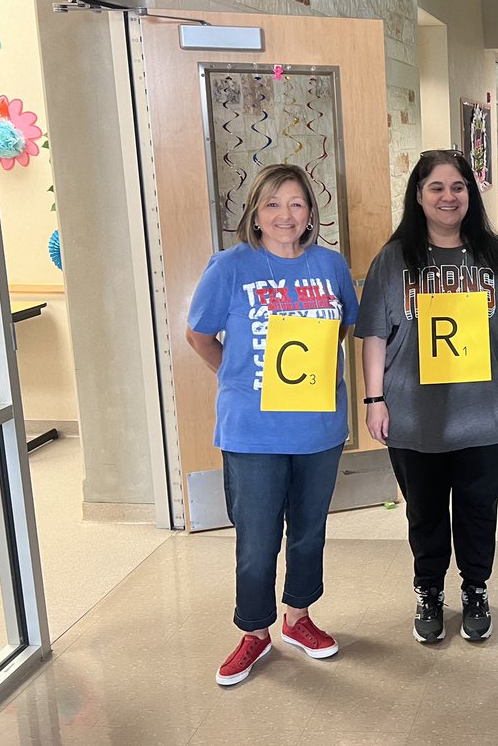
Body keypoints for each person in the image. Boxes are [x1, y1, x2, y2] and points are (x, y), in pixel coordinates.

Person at [186, 163, 358, 686]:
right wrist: (239, 377)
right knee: (257, 539)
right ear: (255, 215)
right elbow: (199, 335)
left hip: (318, 428)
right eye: (273, 204)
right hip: (252, 431)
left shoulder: (330, 265)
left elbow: (343, 325)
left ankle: (298, 618)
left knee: (308, 531)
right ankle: (254, 631)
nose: (286, 214)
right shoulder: (230, 266)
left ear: (311, 214)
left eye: (297, 203)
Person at [355, 150, 498, 644]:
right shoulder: (394, 259)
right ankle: (429, 590)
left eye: (458, 187)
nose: (448, 197)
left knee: (479, 509)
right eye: (436, 187)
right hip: (415, 415)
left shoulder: (496, 257)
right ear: (418, 195)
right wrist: (375, 400)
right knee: (425, 512)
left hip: (485, 411)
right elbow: (375, 336)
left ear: (471, 194)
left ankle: (475, 588)